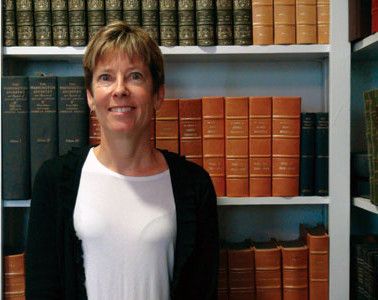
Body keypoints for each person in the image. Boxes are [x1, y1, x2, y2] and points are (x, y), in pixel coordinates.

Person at [25, 21, 219, 300]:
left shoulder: (195, 185)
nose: (119, 90)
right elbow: (41, 291)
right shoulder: (54, 180)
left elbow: (202, 291)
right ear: (90, 96)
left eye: (135, 76)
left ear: (157, 95)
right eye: (106, 77)